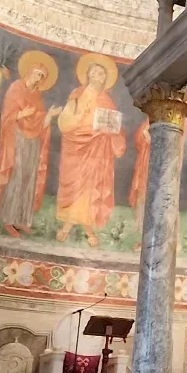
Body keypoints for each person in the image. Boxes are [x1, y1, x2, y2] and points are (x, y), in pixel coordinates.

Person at [55, 54, 125, 245]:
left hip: (98, 149)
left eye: (101, 73)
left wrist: (112, 132)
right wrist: (79, 118)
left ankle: (73, 228)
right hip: (77, 144)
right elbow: (66, 119)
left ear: (105, 79)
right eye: (94, 72)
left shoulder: (107, 100)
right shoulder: (77, 93)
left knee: (89, 187)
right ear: (87, 75)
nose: (97, 76)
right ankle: (80, 229)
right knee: (77, 184)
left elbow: (114, 126)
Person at [0, 50, 56, 233]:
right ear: (29, 72)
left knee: (29, 178)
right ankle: (8, 218)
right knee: (17, 176)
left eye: (42, 77)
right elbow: (7, 115)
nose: (39, 79)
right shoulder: (16, 88)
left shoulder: (36, 95)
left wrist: (49, 116)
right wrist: (22, 114)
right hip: (17, 138)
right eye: (37, 74)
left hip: (32, 141)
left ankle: (21, 219)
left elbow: (40, 120)